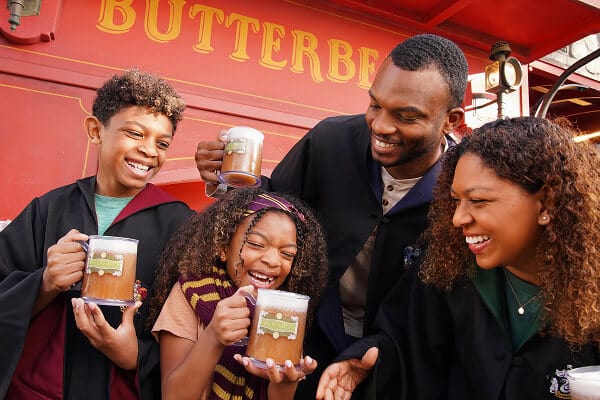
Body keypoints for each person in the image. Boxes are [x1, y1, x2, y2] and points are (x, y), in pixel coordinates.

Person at [194, 33, 469, 397]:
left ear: (451, 120)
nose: (381, 126)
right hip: (307, 339)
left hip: (401, 361)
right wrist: (228, 181)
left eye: (406, 116)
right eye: (375, 105)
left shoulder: (466, 187)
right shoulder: (330, 141)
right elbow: (280, 206)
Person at [316, 116, 600, 400]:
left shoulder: (591, 296)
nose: (458, 218)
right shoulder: (447, 271)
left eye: (479, 201)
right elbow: (402, 340)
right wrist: (364, 362)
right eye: (456, 200)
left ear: (546, 202)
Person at [0, 69, 192, 399]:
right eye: (135, 133)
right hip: (37, 389)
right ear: (95, 130)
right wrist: (45, 282)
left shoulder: (180, 225)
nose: (149, 150)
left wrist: (135, 356)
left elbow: (191, 327)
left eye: (162, 142)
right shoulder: (49, 209)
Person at [149, 188, 328, 399]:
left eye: (287, 254)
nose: (272, 260)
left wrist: (285, 383)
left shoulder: (286, 313)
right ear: (223, 246)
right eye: (256, 244)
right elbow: (173, 396)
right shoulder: (191, 293)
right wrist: (214, 336)